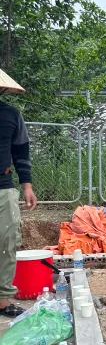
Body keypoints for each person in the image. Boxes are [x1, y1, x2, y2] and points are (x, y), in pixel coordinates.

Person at [0, 71, 37, 317]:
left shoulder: (12, 116)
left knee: (7, 242)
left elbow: (21, 153)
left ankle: (3, 299)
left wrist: (27, 187)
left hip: (3, 187)